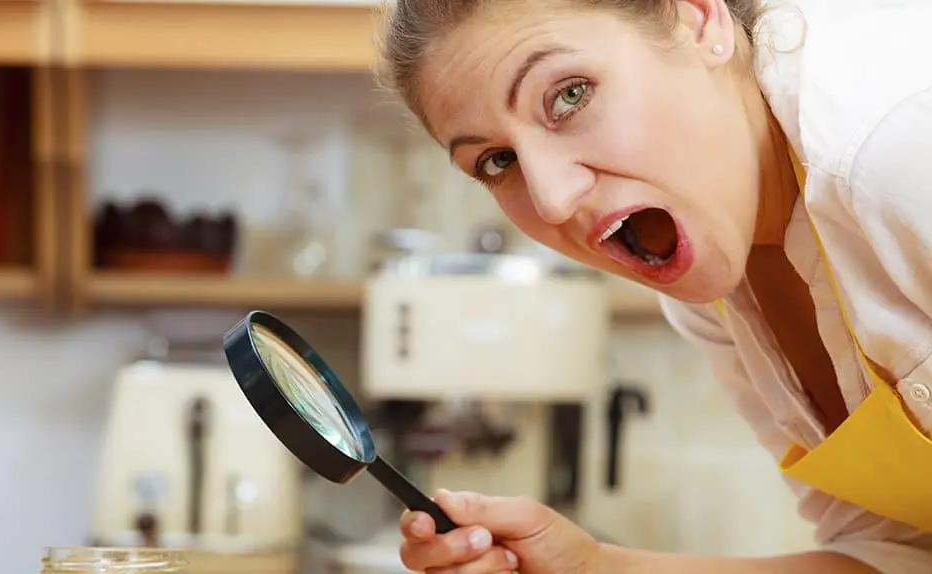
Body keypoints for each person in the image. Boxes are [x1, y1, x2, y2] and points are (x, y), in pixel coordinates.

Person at [373, 0, 932, 572]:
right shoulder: (708, 276)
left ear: (698, 19)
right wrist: (592, 568)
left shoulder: (897, 146)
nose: (552, 197)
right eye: (496, 161)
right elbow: (899, 555)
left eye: (570, 95)